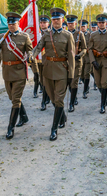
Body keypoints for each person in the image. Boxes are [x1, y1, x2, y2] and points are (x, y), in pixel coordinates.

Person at [31, 7, 75, 141]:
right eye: (54, 19)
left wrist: (71, 75)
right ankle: (62, 117)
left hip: (62, 71)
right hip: (48, 71)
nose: (56, 21)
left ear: (63, 20)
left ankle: (53, 129)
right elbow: (38, 47)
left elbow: (72, 57)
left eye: (58, 19)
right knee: (52, 98)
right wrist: (32, 56)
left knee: (59, 99)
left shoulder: (68, 36)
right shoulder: (46, 35)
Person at [0, 12, 34, 139]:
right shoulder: (3, 36)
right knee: (12, 98)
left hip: (19, 72)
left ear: (18, 24)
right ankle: (24, 116)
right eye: (9, 24)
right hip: (7, 73)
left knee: (16, 100)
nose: (11, 26)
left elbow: (30, 49)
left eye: (13, 24)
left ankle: (10, 128)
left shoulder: (24, 37)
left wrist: (31, 57)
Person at [87, 14, 107, 114]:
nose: (101, 24)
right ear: (97, 24)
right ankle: (104, 99)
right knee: (98, 83)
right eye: (99, 23)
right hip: (96, 61)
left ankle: (102, 105)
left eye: (103, 23)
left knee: (104, 83)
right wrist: (92, 61)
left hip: (106, 62)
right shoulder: (93, 35)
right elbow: (90, 49)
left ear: (106, 23)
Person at [66, 15, 87, 112]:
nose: (70, 24)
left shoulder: (80, 34)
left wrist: (80, 55)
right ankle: (74, 98)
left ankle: (71, 104)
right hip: (66, 63)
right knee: (68, 82)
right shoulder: (64, 34)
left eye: (72, 23)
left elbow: (85, 48)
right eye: (68, 23)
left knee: (74, 82)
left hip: (77, 62)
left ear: (75, 24)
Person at [36, 14, 51, 111]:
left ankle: (44, 101)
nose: (42, 24)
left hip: (48, 61)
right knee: (41, 81)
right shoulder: (36, 33)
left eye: (44, 22)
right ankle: (47, 97)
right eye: (41, 23)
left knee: (46, 81)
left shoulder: (51, 33)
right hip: (38, 61)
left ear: (48, 24)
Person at [80, 19, 91, 99]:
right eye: (81, 26)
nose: (82, 28)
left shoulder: (90, 35)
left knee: (86, 74)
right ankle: (86, 86)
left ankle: (85, 91)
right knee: (81, 75)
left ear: (86, 27)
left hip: (87, 58)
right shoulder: (78, 35)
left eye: (84, 26)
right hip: (80, 58)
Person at [90, 21, 98, 90]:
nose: (93, 29)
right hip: (90, 56)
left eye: (94, 28)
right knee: (90, 71)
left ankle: (96, 83)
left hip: (97, 56)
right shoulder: (90, 35)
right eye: (92, 28)